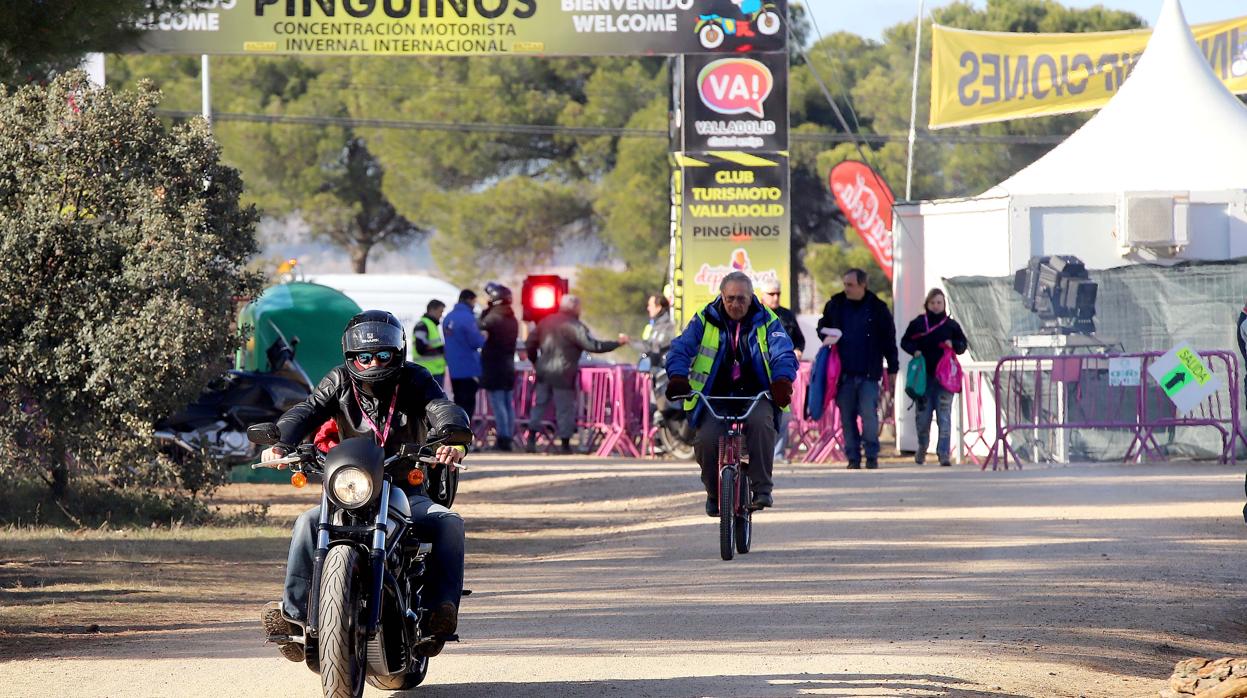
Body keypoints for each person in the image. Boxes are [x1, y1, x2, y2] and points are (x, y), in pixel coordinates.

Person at [258, 310, 468, 660]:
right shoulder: (339, 381)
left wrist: (453, 439)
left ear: (397, 354)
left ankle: (437, 613)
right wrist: (281, 442)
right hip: (349, 491)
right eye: (363, 357)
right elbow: (307, 411)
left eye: (382, 355)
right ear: (351, 357)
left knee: (449, 522)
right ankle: (293, 618)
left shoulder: (415, 379)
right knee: (306, 522)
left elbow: (441, 408)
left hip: (404, 488)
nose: (372, 363)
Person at [665, 271, 798, 514]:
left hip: (756, 393)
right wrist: (677, 376)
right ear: (722, 296)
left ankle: (762, 490)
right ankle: (715, 494)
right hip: (714, 395)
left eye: (741, 299)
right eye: (730, 298)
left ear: (751, 298)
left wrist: (781, 382)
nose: (735, 304)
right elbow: (680, 349)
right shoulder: (704, 318)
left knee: (761, 424)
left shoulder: (767, 319)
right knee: (706, 440)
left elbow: (783, 353)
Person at [524, 295, 627, 455]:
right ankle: (565, 445)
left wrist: (535, 362)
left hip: (544, 371)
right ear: (575, 307)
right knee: (564, 409)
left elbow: (530, 343)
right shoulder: (574, 325)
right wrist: (617, 343)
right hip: (564, 373)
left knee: (539, 406)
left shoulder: (546, 321)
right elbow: (593, 345)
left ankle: (530, 440)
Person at [817, 268, 899, 470]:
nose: (846, 289)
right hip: (842, 374)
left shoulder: (878, 308)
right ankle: (853, 457)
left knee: (869, 416)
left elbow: (889, 339)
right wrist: (826, 334)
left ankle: (871, 455)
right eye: (845, 284)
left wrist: (893, 368)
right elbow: (821, 326)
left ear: (863, 285)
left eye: (850, 285)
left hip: (869, 373)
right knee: (847, 417)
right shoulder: (835, 305)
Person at [900, 289, 969, 467]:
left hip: (945, 380)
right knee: (922, 419)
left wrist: (953, 344)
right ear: (927, 304)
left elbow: (963, 345)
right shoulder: (918, 323)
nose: (936, 306)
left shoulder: (951, 326)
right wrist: (914, 350)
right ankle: (922, 446)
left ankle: (943, 453)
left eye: (939, 302)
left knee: (944, 417)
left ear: (944, 304)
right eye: (933, 303)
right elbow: (905, 341)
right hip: (923, 379)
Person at [758, 279, 805, 463]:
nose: (775, 297)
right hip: (759, 373)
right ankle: (759, 454)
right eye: (771, 294)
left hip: (782, 372)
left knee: (784, 414)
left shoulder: (786, 316)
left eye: (778, 293)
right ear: (762, 295)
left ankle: (777, 454)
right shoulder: (754, 314)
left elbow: (799, 340)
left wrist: (797, 350)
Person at [479, 282, 519, 452]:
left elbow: (479, 326)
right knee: (507, 404)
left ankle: (503, 439)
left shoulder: (493, 318)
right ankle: (507, 436)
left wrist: (485, 311)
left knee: (498, 404)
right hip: (508, 366)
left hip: (495, 366)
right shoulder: (512, 318)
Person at [443, 289, 485, 419]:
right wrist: (484, 337)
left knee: (458, 403)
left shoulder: (448, 317)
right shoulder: (468, 318)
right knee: (468, 404)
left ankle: (459, 433)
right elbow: (476, 342)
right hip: (469, 368)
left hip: (454, 368)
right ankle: (467, 434)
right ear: (469, 300)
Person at [630, 293, 676, 372]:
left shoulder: (666, 327)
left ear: (658, 308)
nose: (648, 308)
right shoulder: (657, 325)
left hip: (663, 374)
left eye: (650, 305)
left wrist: (629, 341)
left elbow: (651, 347)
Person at [412, 299, 447, 386]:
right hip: (428, 373)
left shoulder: (431, 325)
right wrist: (440, 349)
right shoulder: (422, 325)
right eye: (440, 312)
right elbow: (421, 348)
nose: (441, 315)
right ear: (432, 310)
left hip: (434, 371)